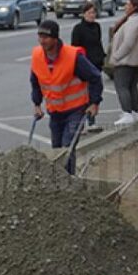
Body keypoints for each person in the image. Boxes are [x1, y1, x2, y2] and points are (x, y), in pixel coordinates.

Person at [31, 18, 103, 173]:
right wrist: (37, 104)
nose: (42, 41)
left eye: (46, 37)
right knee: (57, 149)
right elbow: (35, 81)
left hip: (75, 110)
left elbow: (95, 77)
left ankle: (69, 180)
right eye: (40, 36)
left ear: (55, 39)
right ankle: (61, 180)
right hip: (55, 112)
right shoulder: (37, 56)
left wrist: (94, 103)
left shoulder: (73, 57)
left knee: (67, 148)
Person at [109, 0, 138, 125]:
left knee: (122, 86)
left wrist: (116, 56)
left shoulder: (133, 22)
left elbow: (128, 43)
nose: (125, 7)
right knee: (132, 86)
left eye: (128, 4)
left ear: (134, 7)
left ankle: (127, 112)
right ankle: (134, 111)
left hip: (126, 60)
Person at [71, 2, 106, 130]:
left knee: (94, 93)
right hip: (84, 65)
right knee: (83, 95)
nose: (92, 15)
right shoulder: (78, 29)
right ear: (84, 14)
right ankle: (80, 123)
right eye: (89, 13)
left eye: (94, 12)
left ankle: (91, 121)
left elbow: (98, 43)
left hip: (96, 64)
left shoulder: (97, 26)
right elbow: (75, 48)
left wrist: (102, 57)